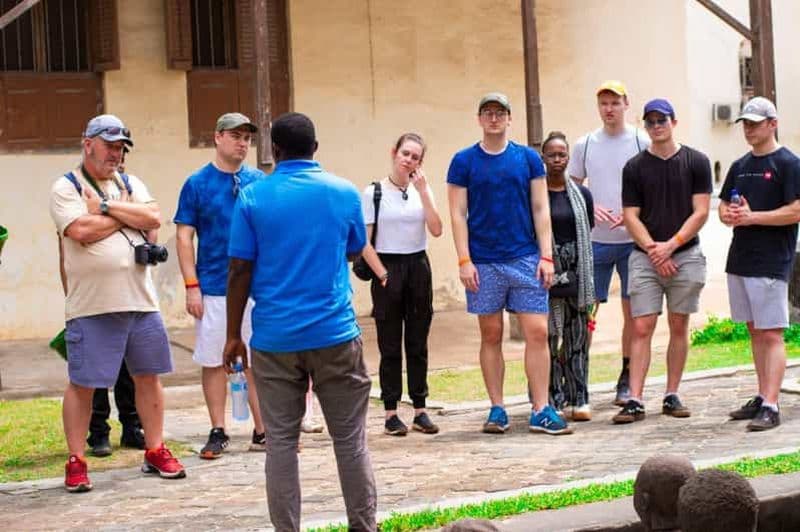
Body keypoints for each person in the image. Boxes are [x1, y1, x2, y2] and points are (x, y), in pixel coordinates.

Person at [224, 112, 376, 531]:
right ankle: (364, 527)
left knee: (282, 447)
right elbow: (352, 249)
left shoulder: (253, 197)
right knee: (350, 442)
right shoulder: (344, 193)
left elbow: (239, 269)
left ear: (274, 150)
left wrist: (233, 335)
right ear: (315, 149)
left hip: (274, 339)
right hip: (335, 334)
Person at [49, 114, 185, 493]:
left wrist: (106, 209)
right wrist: (127, 216)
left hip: (141, 301)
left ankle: (155, 449)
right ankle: (76, 460)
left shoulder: (130, 182)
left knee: (149, 376)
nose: (116, 152)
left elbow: (154, 220)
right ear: (87, 142)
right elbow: (79, 231)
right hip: (91, 305)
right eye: (109, 144)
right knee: (83, 384)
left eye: (121, 146)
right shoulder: (66, 187)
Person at [447, 92, 570, 435]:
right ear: (479, 119)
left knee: (538, 331)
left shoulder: (528, 159)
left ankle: (541, 408)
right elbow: (457, 213)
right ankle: (497, 408)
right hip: (483, 262)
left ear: (509, 118)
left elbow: (540, 208)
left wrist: (546, 255)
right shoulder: (464, 161)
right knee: (491, 333)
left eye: (499, 113)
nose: (494, 118)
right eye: (487, 112)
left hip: (525, 257)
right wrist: (463, 259)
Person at [174, 112, 268, 458]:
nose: (242, 143)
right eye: (235, 136)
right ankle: (218, 428)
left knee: (258, 358)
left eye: (247, 137)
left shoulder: (258, 180)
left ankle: (262, 429)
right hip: (214, 283)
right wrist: (190, 285)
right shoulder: (197, 183)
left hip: (256, 286)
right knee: (214, 359)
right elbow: (184, 237)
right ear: (217, 137)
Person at [614, 99, 712, 424]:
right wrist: (655, 251)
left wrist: (671, 246)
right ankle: (635, 398)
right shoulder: (634, 167)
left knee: (678, 323)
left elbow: (700, 211)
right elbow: (630, 215)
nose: (657, 126)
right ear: (645, 126)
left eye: (662, 120)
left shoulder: (696, 161)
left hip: (685, 254)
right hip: (645, 257)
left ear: (674, 121)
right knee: (642, 325)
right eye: (651, 122)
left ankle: (672, 393)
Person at [720, 96, 800, 431]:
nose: (749, 129)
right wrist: (731, 215)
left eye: (755, 123)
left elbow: (796, 210)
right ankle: (762, 393)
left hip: (771, 260)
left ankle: (771, 404)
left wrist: (754, 217)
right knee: (754, 330)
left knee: (771, 333)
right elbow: (725, 207)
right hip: (740, 259)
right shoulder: (739, 165)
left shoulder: (789, 164)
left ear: (773, 123)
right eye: (746, 124)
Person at [568, 80, 650, 406]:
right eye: (603, 103)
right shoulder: (585, 144)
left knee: (633, 314)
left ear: (626, 104)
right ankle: (578, 376)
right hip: (595, 242)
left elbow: (652, 186)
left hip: (633, 241)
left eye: (615, 102)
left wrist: (634, 214)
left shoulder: (642, 141)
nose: (609, 109)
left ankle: (627, 378)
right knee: (586, 312)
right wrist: (589, 206)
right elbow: (570, 186)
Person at [361, 133, 443, 436]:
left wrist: (423, 192)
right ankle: (391, 411)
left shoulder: (423, 190)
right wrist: (382, 274)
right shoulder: (374, 192)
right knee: (390, 343)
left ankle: (420, 408)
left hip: (418, 266)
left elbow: (436, 230)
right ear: (394, 152)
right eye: (405, 154)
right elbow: (364, 243)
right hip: (387, 267)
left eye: (416, 157)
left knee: (418, 342)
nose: (409, 160)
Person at [76, 146, 145, 456]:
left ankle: (132, 427)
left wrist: (112, 211)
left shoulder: (131, 191)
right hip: (94, 298)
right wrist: (118, 211)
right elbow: (81, 235)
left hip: (132, 295)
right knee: (96, 372)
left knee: (128, 371)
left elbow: (151, 228)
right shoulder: (81, 193)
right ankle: (98, 432)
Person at [541, 131, 595, 421]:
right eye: (552, 154)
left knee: (577, 339)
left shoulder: (582, 194)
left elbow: (589, 231)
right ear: (544, 158)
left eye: (563, 154)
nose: (558, 159)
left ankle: (580, 397)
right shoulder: (535, 193)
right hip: (547, 273)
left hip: (577, 273)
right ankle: (553, 397)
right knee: (549, 338)